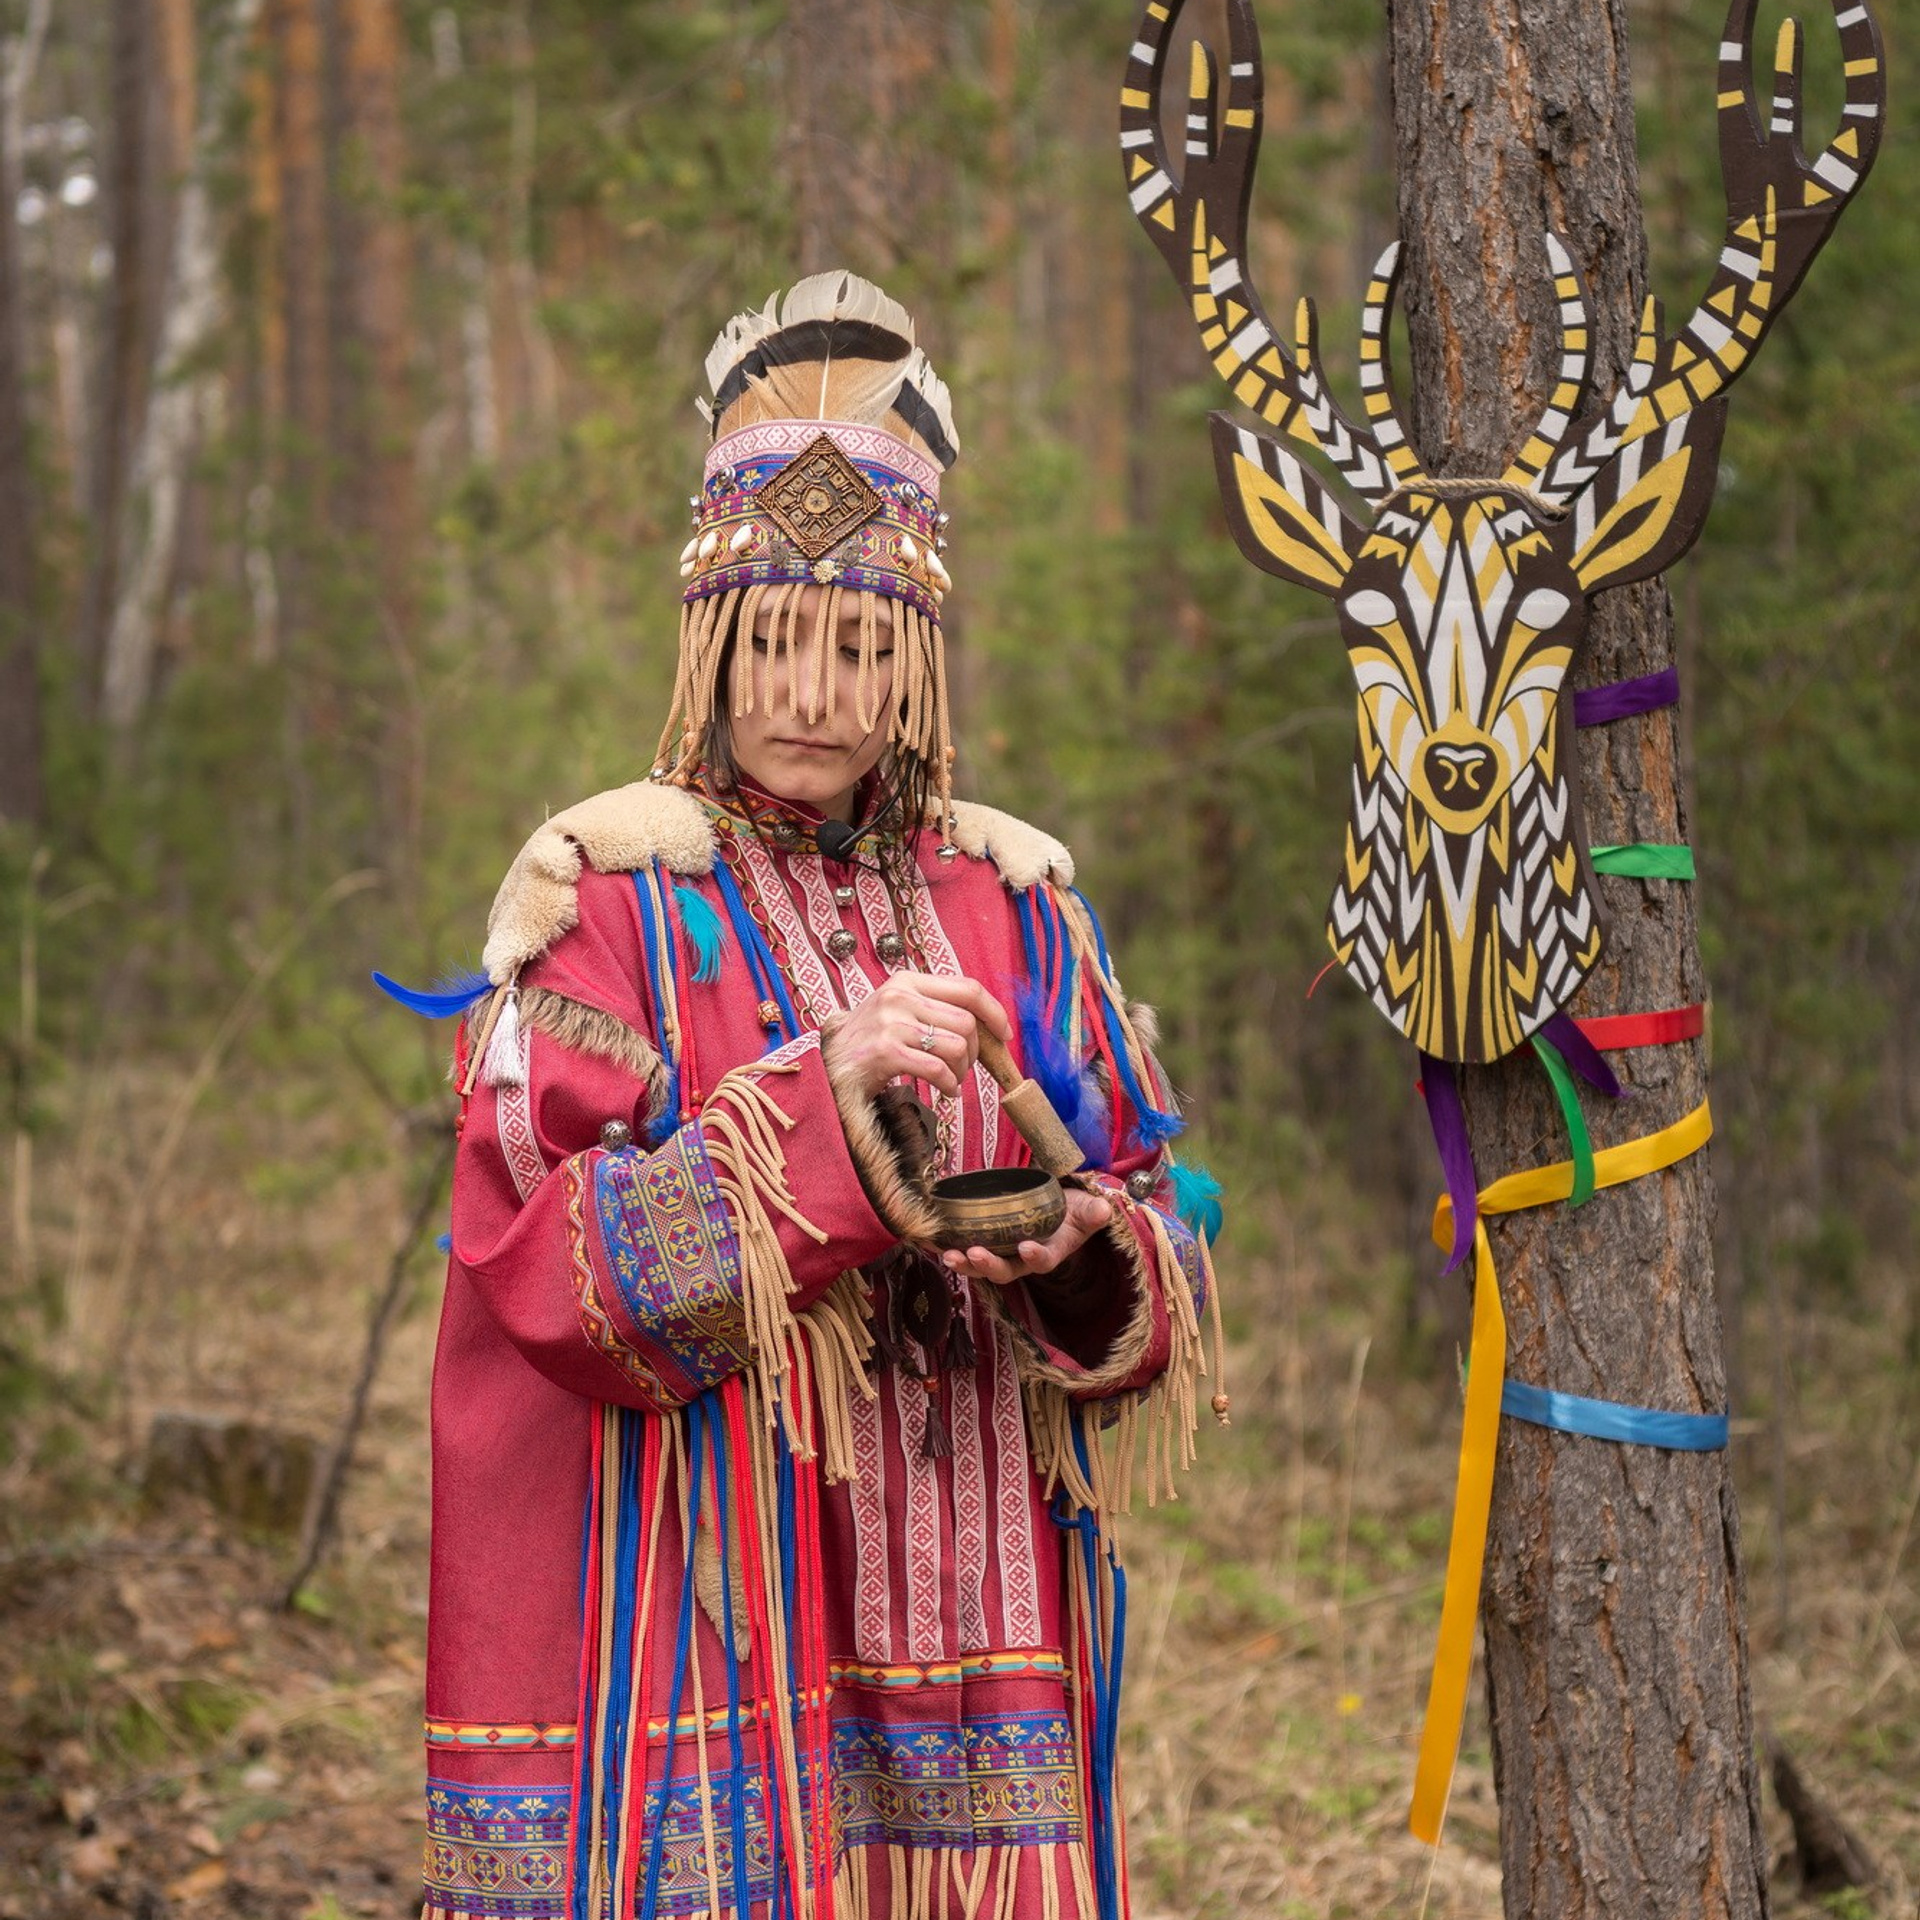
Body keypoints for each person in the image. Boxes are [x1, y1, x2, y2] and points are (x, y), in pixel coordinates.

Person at [407, 273, 1226, 1920]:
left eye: (862, 648)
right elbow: (542, 1271)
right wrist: (820, 1118)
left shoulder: (1017, 903)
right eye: (774, 642)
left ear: (916, 656)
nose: (811, 696)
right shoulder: (610, 905)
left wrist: (1071, 1249)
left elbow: (1161, 1239)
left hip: (977, 1653)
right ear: (708, 638)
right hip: (701, 1622)